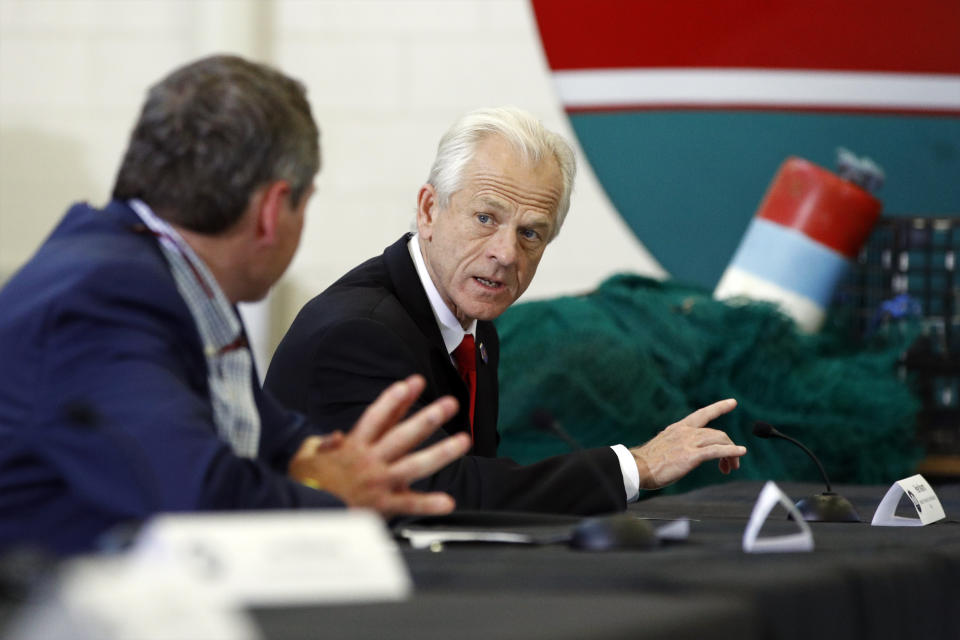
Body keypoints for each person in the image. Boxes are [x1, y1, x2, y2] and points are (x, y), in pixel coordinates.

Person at [0, 55, 472, 555]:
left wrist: (320, 457)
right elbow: (200, 501)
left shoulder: (155, 272)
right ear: (272, 211)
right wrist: (338, 504)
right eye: (305, 203)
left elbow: (258, 426)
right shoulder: (103, 298)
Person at [265, 107, 747, 515]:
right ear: (429, 211)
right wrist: (637, 466)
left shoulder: (473, 327)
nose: (506, 253)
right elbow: (441, 495)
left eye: (530, 233)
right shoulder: (359, 333)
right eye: (485, 218)